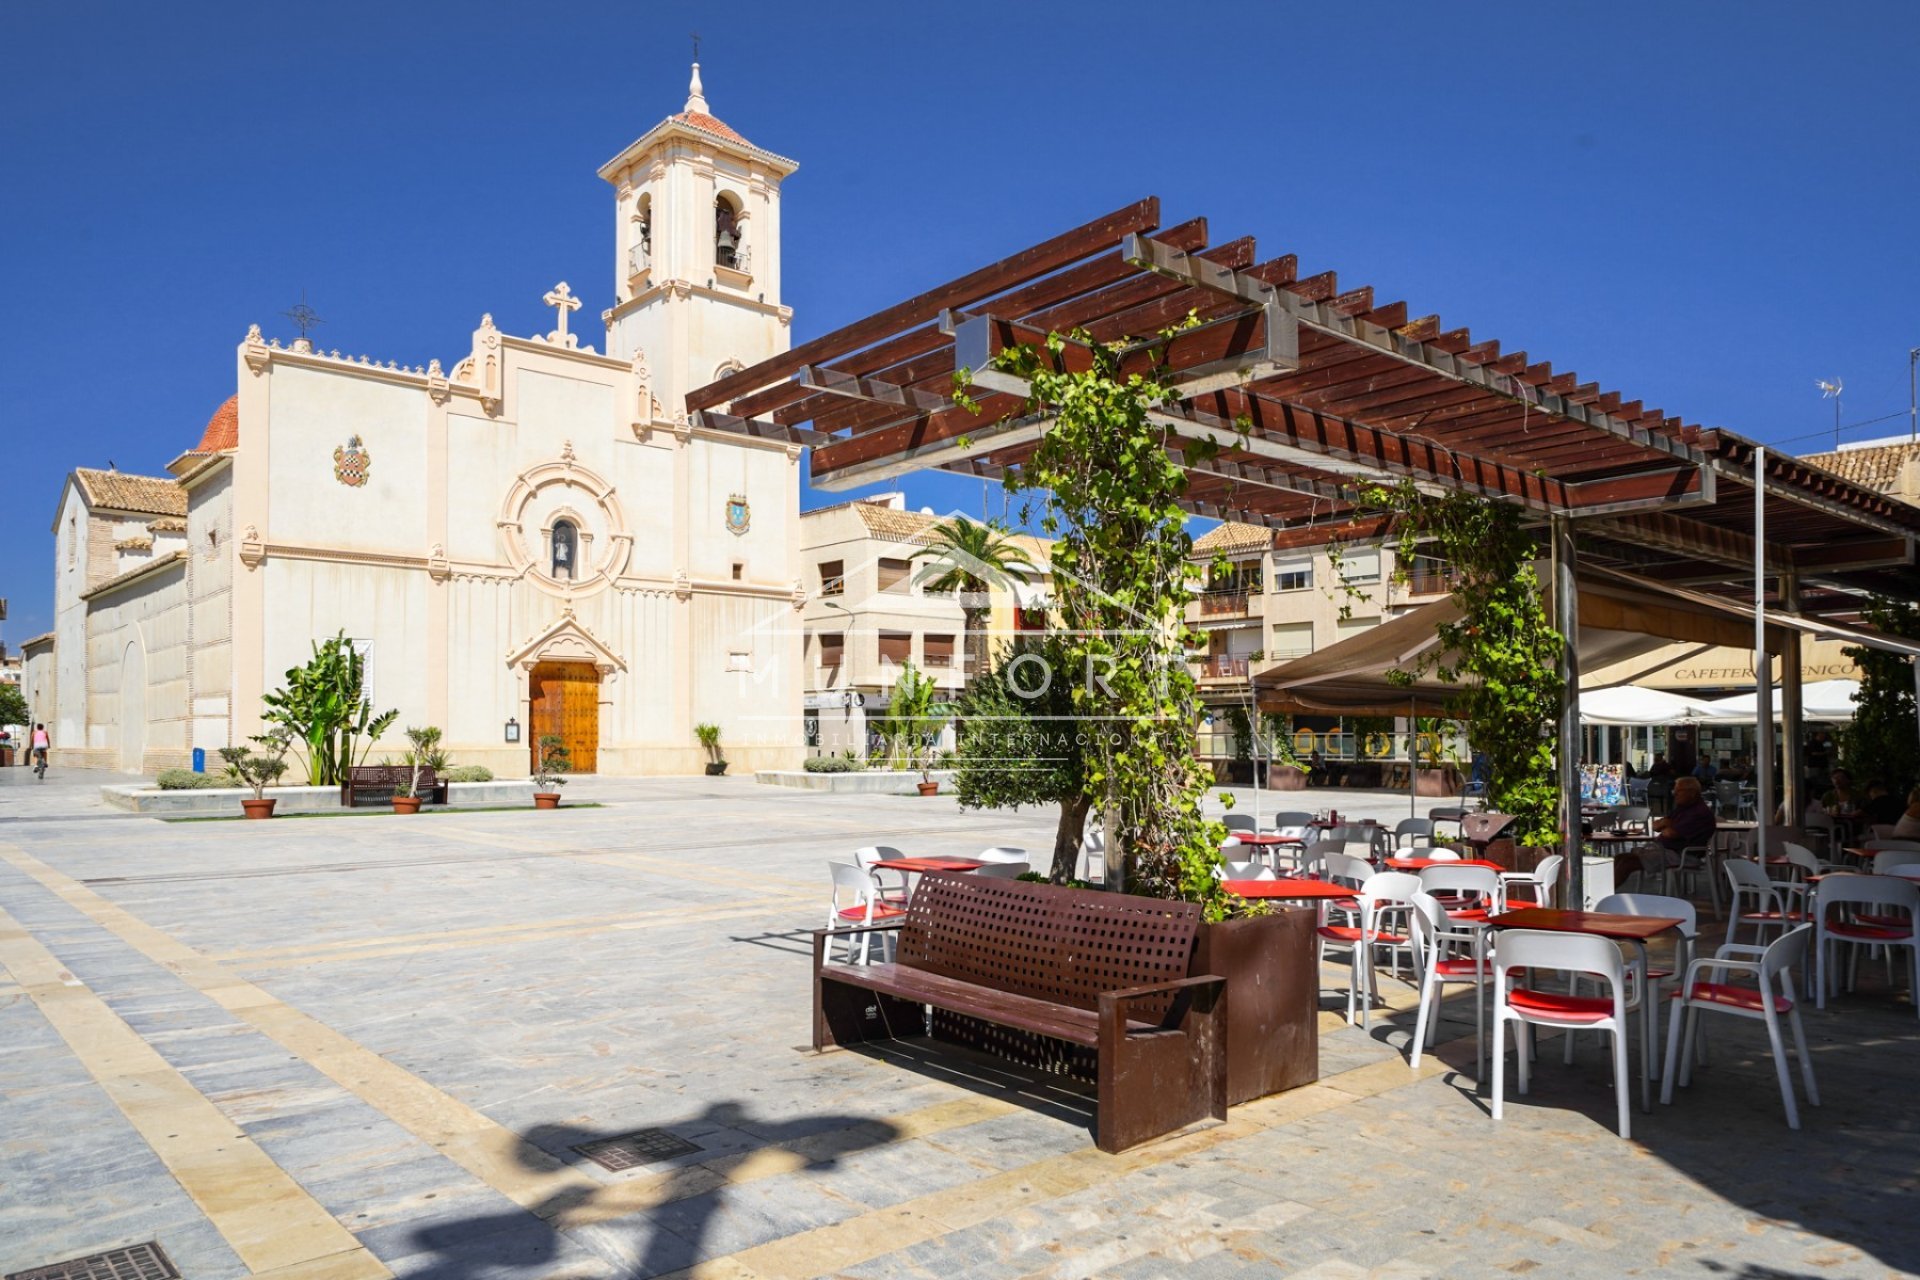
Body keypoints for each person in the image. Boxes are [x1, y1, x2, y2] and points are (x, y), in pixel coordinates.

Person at [1617, 775, 1715, 888]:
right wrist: (1667, 824)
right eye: (1675, 790)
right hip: (1667, 851)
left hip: (1681, 855)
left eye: (1679, 791)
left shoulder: (1698, 812)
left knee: (1626, 863)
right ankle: (1603, 893)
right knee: (1620, 858)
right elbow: (1655, 826)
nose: (1674, 794)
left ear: (1692, 793)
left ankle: (1605, 895)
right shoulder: (1683, 808)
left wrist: (1667, 825)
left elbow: (1671, 833)